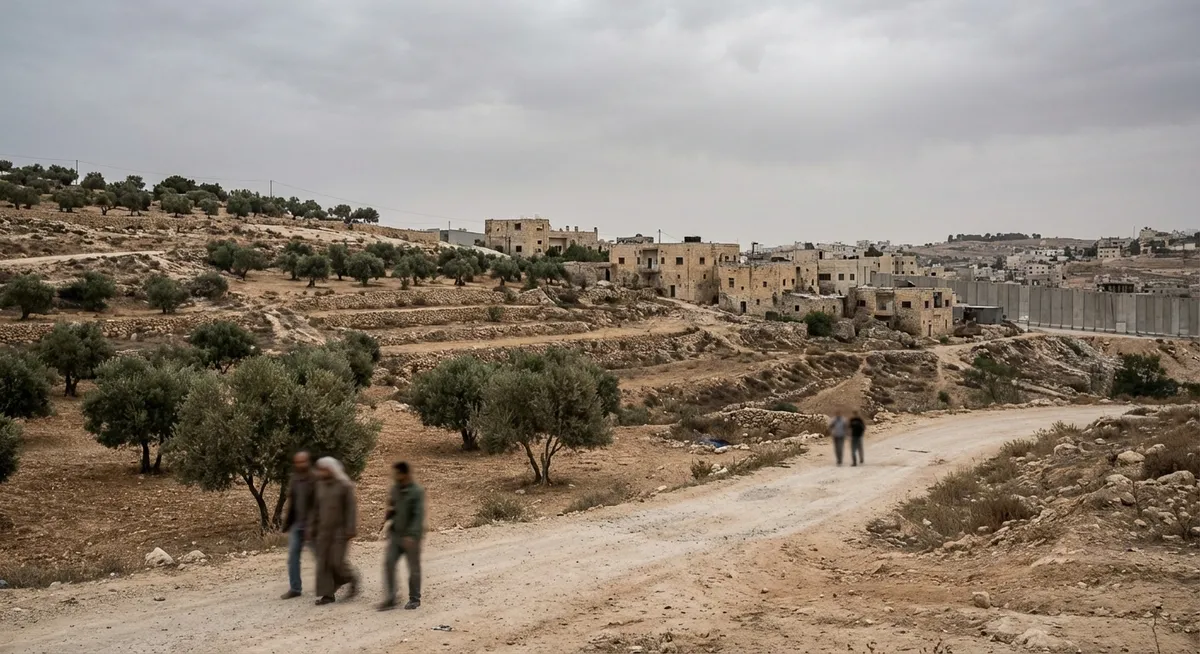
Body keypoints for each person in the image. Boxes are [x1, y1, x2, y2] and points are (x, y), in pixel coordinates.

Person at [307, 457, 359, 606]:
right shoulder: (320, 486)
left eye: (324, 469)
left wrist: (351, 528)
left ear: (331, 469)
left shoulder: (344, 486)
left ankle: (351, 578)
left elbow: (351, 509)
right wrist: (311, 528)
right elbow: (315, 510)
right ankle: (328, 595)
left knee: (337, 562)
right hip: (323, 531)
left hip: (340, 531)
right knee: (323, 563)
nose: (321, 472)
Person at [379, 461, 425, 611]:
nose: (394, 476)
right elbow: (393, 507)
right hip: (396, 535)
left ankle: (414, 598)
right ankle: (391, 598)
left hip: (411, 537)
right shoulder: (394, 489)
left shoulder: (417, 491)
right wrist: (388, 517)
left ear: (404, 474)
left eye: (396, 473)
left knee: (413, 568)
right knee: (389, 563)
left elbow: (418, 516)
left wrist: (412, 536)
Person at [280, 451, 315, 600]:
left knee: (322, 557)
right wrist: (287, 524)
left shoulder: (315, 480)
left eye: (303, 462)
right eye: (298, 462)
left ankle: (340, 579)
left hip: (312, 526)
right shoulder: (294, 479)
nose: (300, 465)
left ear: (308, 462)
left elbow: (318, 505)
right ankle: (295, 588)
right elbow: (292, 503)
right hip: (297, 524)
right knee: (293, 556)